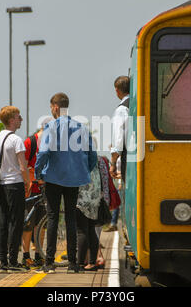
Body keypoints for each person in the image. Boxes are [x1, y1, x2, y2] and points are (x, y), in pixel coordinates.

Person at [35, 92, 97, 274]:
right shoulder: (81, 127)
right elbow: (92, 154)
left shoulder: (51, 127)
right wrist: (83, 170)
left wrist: (39, 173)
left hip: (53, 178)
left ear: (54, 107)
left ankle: (49, 263)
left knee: (53, 217)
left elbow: (43, 152)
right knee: (70, 218)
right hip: (74, 179)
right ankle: (73, 263)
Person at [0, 106, 31, 274]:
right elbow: (23, 166)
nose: (20, 119)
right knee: (16, 223)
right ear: (11, 120)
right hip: (15, 184)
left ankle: (3, 262)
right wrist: (28, 182)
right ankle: (14, 261)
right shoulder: (16, 140)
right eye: (18, 117)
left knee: (3, 223)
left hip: (1, 185)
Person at [21, 116, 52, 269]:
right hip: (31, 189)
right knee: (28, 223)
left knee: (41, 224)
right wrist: (31, 179)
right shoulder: (30, 142)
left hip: (46, 189)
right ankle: (26, 256)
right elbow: (23, 165)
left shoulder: (51, 143)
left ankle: (39, 255)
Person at [106, 76, 130, 232]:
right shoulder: (136, 105)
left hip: (129, 160)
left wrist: (113, 164)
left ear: (117, 90)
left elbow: (118, 140)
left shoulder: (121, 109)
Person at [76, 152, 102, 271]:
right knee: (91, 229)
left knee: (82, 230)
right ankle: (92, 263)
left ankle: (80, 264)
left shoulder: (78, 155)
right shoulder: (93, 154)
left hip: (83, 196)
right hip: (94, 195)